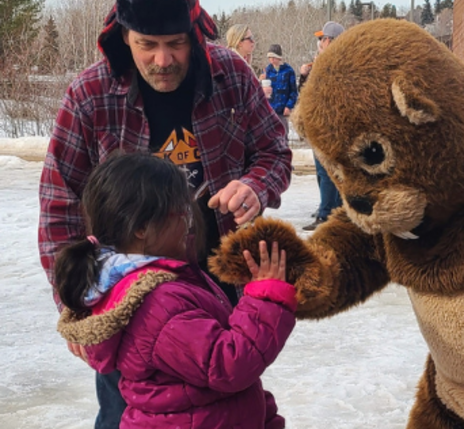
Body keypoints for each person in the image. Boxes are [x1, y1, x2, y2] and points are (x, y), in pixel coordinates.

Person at [38, 0, 291, 429]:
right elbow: (58, 207)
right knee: (128, 414)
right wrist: (73, 302)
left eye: (175, 43)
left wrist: (255, 186)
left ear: (196, 32)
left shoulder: (231, 75)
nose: (162, 59)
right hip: (131, 301)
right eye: (146, 44)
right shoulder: (89, 95)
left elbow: (275, 152)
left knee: (231, 403)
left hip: (219, 286)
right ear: (123, 36)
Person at [56, 152, 296, 429]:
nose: (187, 219)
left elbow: (220, 383)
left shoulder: (157, 282)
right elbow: (229, 364)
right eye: (179, 210)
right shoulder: (158, 303)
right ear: (142, 227)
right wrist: (267, 296)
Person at [300, 22, 345, 231]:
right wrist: (305, 76)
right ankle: (330, 209)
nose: (319, 42)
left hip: (328, 126)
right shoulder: (326, 62)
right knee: (324, 172)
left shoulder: (334, 63)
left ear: (328, 40)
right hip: (324, 124)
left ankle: (327, 213)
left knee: (326, 172)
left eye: (321, 39)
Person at [264, 44, 298, 133]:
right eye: (270, 58)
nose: (271, 60)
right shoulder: (267, 70)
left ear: (279, 58)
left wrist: (289, 106)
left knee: (283, 135)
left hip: (283, 111)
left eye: (273, 57)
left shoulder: (289, 71)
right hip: (270, 110)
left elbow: (294, 92)